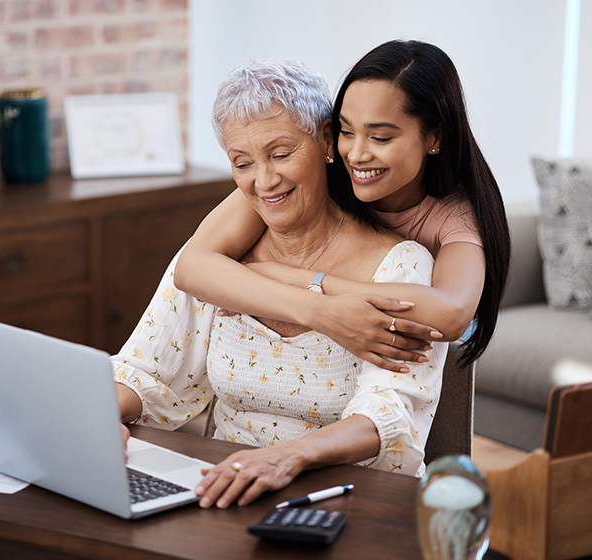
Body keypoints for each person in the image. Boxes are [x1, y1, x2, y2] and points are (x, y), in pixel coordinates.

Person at [112, 58, 448, 510]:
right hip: (231, 490)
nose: (264, 181)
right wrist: (97, 418)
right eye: (242, 162)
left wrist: (283, 459)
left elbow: (388, 416)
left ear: (327, 140)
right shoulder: (217, 261)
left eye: (282, 153)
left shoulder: (400, 266)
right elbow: (145, 371)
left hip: (351, 501)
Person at [174, 40, 511, 370]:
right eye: (346, 131)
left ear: (434, 137)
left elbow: (450, 314)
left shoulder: (456, 212)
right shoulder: (315, 172)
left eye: (380, 137)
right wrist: (316, 307)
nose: (357, 154)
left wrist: (298, 279)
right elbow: (193, 267)